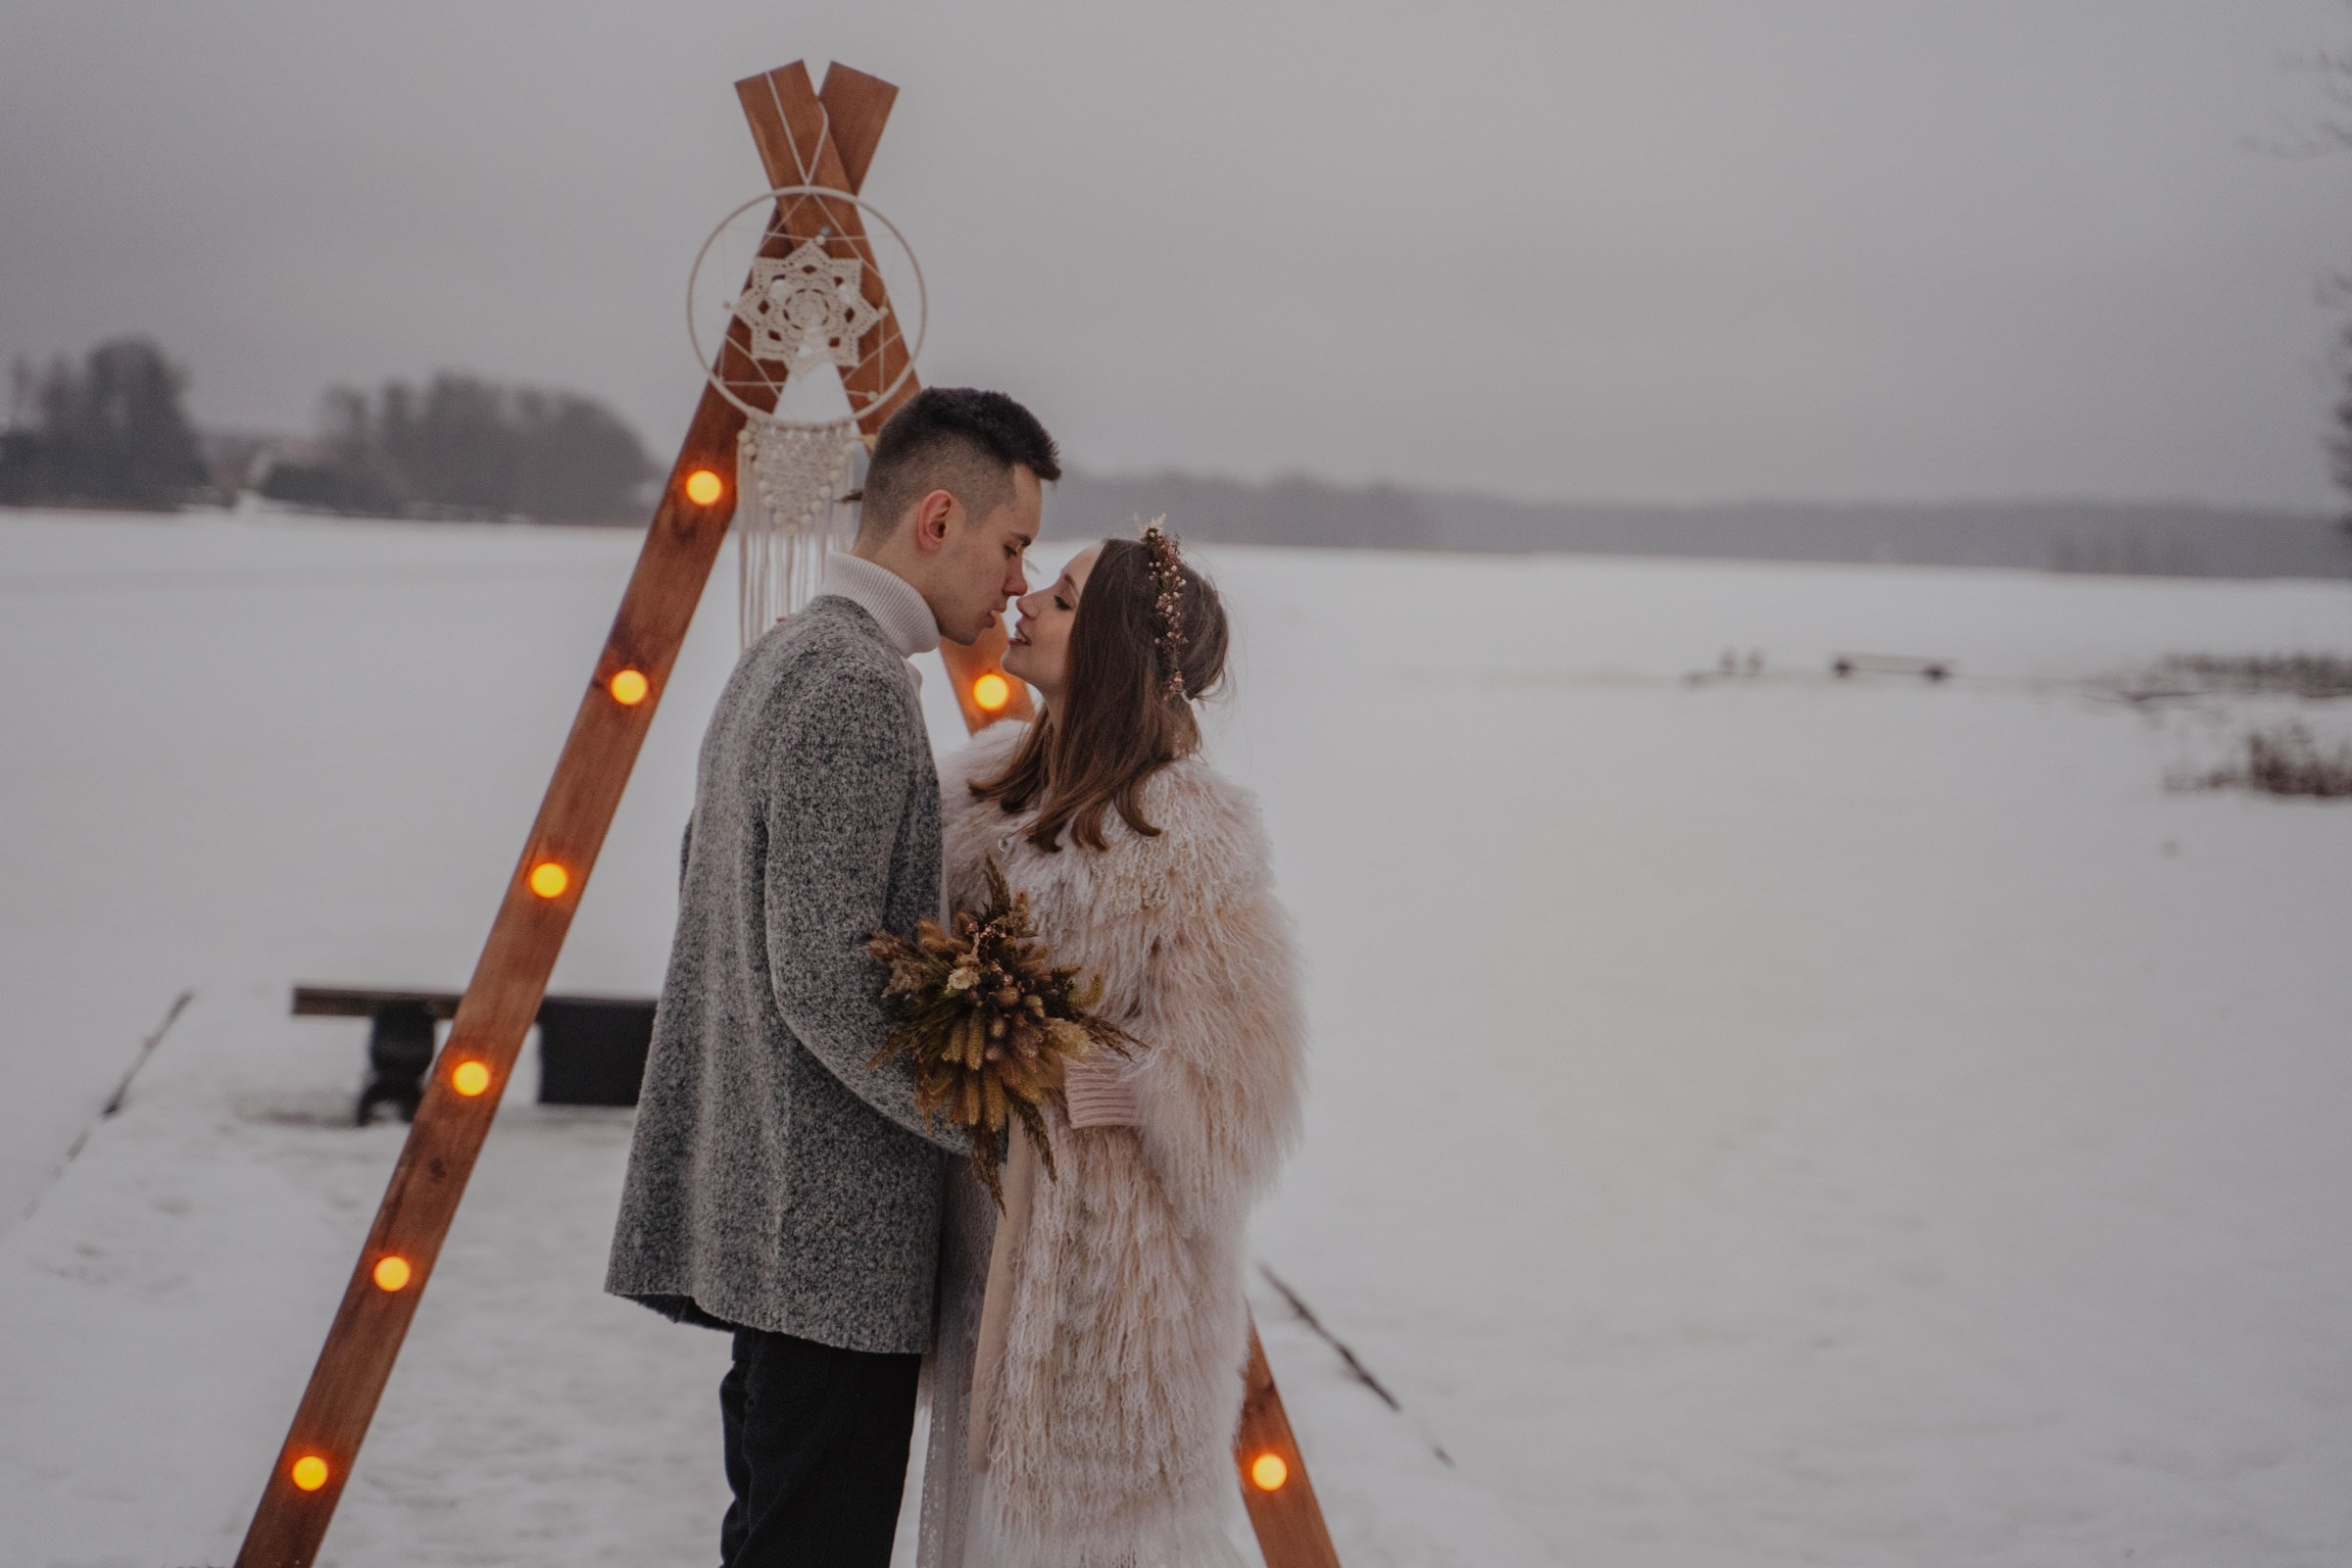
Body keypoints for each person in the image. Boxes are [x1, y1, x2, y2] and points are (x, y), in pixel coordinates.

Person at [605, 387, 1060, 1568]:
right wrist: (985, 1121)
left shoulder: (784, 657)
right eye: (1013, 547)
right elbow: (820, 977)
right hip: (826, 1245)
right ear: (939, 518)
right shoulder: (853, 685)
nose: (1018, 581)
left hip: (773, 1220)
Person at [918, 525, 1308, 1568]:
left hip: (1114, 1269)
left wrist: (1130, 1084)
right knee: (979, 1504)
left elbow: (1250, 1078)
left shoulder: (1189, 832)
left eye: (1063, 595)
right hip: (991, 1231)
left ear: (1113, 649)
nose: (1028, 603)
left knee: (1095, 1536)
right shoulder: (983, 791)